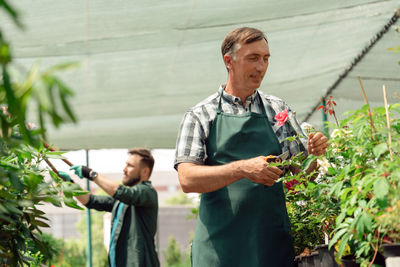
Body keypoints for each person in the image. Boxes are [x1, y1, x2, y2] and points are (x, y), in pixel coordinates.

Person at [174, 27, 328, 267]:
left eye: (266, 59)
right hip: (218, 251)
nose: (261, 67)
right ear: (229, 61)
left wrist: (315, 156)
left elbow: (301, 182)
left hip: (270, 249)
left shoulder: (278, 110)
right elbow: (187, 179)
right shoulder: (200, 115)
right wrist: (242, 169)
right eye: (253, 58)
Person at [60, 148, 160, 267]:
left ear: (144, 172)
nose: (124, 169)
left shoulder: (147, 192)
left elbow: (120, 192)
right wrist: (71, 184)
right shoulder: (122, 201)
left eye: (130, 166)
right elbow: (91, 201)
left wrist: (91, 174)